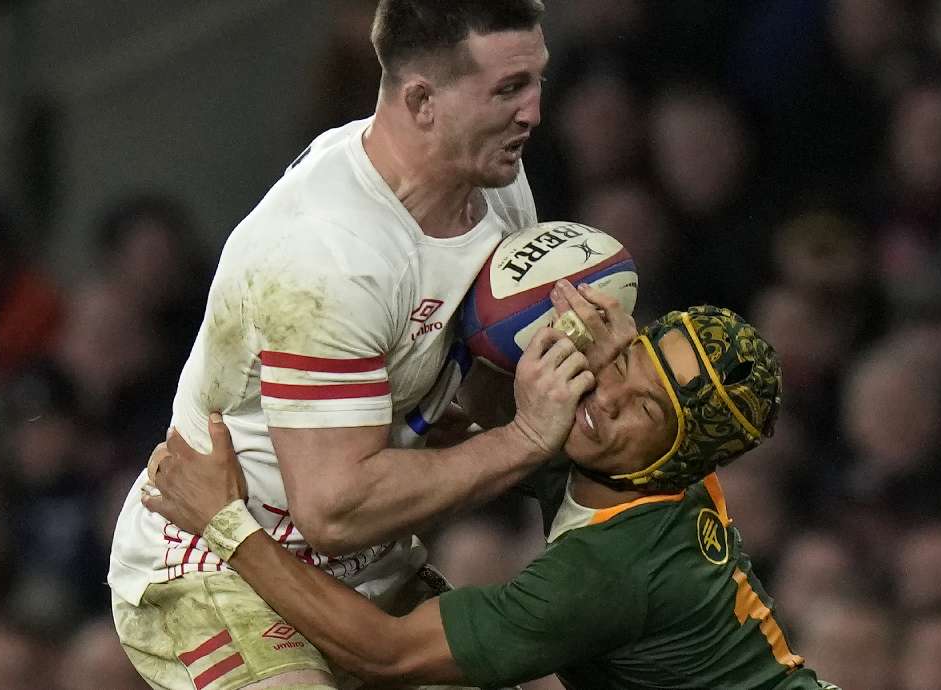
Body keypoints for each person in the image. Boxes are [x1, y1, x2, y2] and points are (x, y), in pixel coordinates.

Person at [108, 2, 617, 688]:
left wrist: (579, 367)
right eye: (507, 90)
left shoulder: (495, 183)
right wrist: (524, 441)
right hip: (218, 564)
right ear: (422, 101)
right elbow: (335, 508)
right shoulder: (332, 253)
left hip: (371, 566)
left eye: (536, 81)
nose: (534, 112)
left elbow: (484, 392)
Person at [145, 306, 839, 689]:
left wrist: (225, 524)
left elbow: (386, 652)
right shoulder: (640, 464)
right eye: (625, 364)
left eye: (645, 410)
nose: (607, 399)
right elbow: (496, 410)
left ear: (676, 458)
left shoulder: (611, 569)